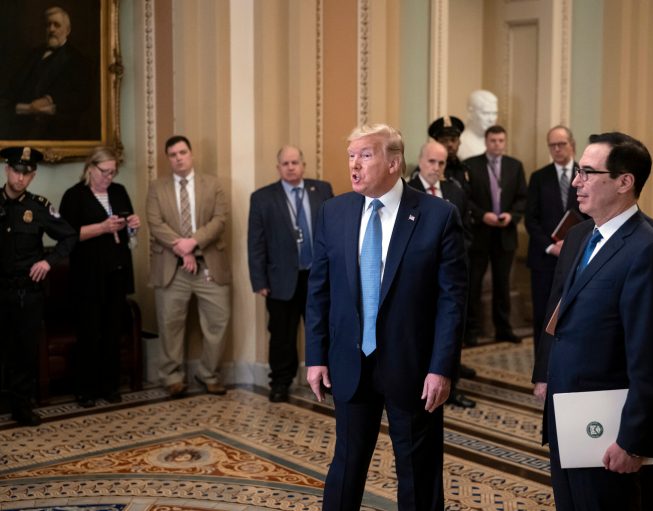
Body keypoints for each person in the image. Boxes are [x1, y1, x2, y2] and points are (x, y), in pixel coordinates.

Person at [305, 124, 467, 510]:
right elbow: (319, 291)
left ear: (394, 162)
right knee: (346, 465)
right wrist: (316, 356)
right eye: (351, 156)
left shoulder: (438, 216)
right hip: (350, 362)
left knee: (418, 471)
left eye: (365, 155)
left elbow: (452, 301)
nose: (354, 165)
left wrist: (441, 368)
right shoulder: (335, 211)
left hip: (413, 368)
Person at [537, 132, 653, 510]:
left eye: (587, 171)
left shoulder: (646, 250)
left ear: (624, 182)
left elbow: (649, 356)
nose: (577, 181)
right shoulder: (585, 236)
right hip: (567, 412)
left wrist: (633, 439)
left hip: (607, 426)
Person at [147, 135, 231, 397]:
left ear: (191, 154)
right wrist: (182, 249)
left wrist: (193, 243)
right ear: (168, 159)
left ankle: (208, 373)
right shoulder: (156, 188)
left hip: (209, 266)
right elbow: (155, 222)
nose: (178, 158)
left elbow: (220, 220)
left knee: (219, 319)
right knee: (170, 323)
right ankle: (172, 377)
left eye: (182, 152)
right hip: (171, 266)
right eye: (172, 155)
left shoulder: (213, 185)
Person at [247, 145, 333, 403]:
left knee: (323, 330)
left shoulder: (323, 190)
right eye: (285, 163)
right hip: (280, 279)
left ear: (303, 165)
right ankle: (281, 383)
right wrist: (259, 280)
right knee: (282, 335)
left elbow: (335, 232)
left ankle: (329, 381)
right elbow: (256, 242)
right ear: (278, 168)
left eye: (295, 162)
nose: (291, 167)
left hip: (318, 276)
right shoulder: (262, 197)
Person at [0, 146, 76, 426]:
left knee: (23, 352)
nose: (20, 178)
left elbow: (69, 237)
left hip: (26, 293)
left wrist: (49, 261)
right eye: (16, 171)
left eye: (27, 174)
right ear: (7, 169)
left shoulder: (39, 207)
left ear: (33, 177)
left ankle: (22, 407)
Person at [59, 147, 141, 408]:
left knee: (112, 331)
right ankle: (86, 389)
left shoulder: (118, 191)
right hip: (87, 275)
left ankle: (110, 385)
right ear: (90, 168)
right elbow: (68, 235)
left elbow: (127, 225)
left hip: (116, 270)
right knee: (89, 332)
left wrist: (132, 225)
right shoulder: (74, 196)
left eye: (113, 172)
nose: (109, 177)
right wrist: (102, 228)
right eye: (104, 172)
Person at [408, 140, 475, 409]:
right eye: (431, 161)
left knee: (450, 330)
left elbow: (466, 233)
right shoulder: (408, 192)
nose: (436, 168)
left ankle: (451, 386)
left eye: (441, 163)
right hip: (419, 279)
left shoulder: (454, 191)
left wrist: (450, 257)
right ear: (420, 160)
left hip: (449, 275)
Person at [524, 126, 583, 364]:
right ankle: (543, 365)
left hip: (578, 257)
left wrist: (571, 248)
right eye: (552, 145)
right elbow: (531, 219)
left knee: (574, 313)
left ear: (572, 144)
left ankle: (568, 359)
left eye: (561, 144)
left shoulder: (585, 174)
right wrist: (550, 247)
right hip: (544, 259)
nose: (557, 149)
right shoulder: (539, 177)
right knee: (542, 314)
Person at [463, 125, 527, 345]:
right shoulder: (471, 165)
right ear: (486, 141)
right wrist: (482, 216)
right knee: (473, 286)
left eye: (501, 140)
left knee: (502, 285)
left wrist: (512, 216)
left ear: (505, 142)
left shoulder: (515, 166)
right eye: (493, 140)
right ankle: (470, 331)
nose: (497, 144)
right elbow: (466, 199)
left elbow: (522, 198)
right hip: (480, 234)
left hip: (505, 234)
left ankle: (503, 329)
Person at [0, 6, 93, 140]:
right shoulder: (33, 55)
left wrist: (49, 99)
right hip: (20, 125)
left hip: (54, 130)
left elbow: (82, 98)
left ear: (68, 30)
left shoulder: (78, 60)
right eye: (48, 25)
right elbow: (13, 88)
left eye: (56, 25)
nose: (51, 29)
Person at [428, 115, 471, 190]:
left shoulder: (466, 169)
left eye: (453, 140)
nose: (450, 144)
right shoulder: (428, 169)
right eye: (444, 140)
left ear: (459, 142)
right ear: (436, 144)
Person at [458, 90, 498, 160]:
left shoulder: (496, 142)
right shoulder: (461, 143)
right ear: (470, 113)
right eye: (486, 113)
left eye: (494, 113)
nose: (491, 119)